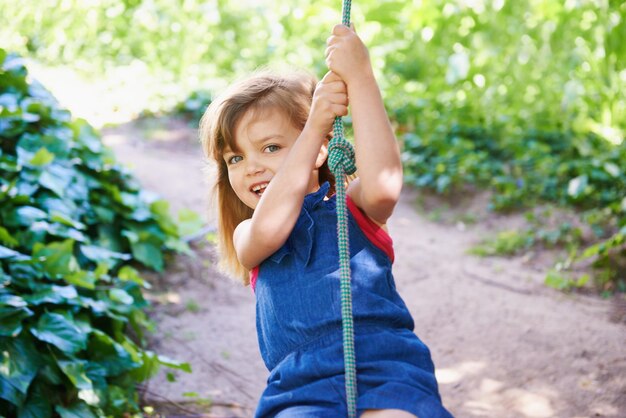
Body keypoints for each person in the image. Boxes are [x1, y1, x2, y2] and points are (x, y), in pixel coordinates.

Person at [200, 23, 453, 418]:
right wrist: (315, 122)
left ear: (319, 150)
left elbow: (384, 184)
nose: (251, 168)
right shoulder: (249, 234)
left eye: (270, 147)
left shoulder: (352, 210)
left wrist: (360, 77)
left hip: (383, 364)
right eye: (235, 158)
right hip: (299, 386)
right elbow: (271, 227)